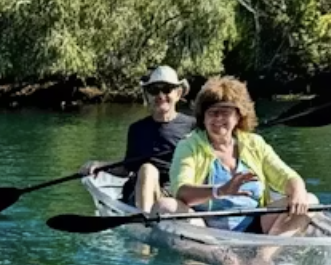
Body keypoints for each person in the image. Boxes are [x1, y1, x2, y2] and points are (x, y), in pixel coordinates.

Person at [158, 75, 315, 235]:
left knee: (310, 200)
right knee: (166, 206)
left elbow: (286, 176)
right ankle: (222, 256)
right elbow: (182, 191)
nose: (218, 118)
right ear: (203, 117)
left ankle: (264, 256)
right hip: (206, 230)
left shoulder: (254, 143)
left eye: (225, 112)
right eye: (212, 112)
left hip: (257, 225)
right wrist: (221, 190)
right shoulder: (189, 146)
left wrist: (297, 190)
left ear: (238, 116)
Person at [84, 66, 195, 211]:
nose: (160, 96)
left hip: (176, 194)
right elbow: (127, 167)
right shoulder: (137, 129)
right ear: (147, 95)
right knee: (148, 170)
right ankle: (145, 220)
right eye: (154, 90)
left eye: (167, 89)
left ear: (178, 93)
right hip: (140, 191)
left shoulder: (194, 127)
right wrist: (99, 166)